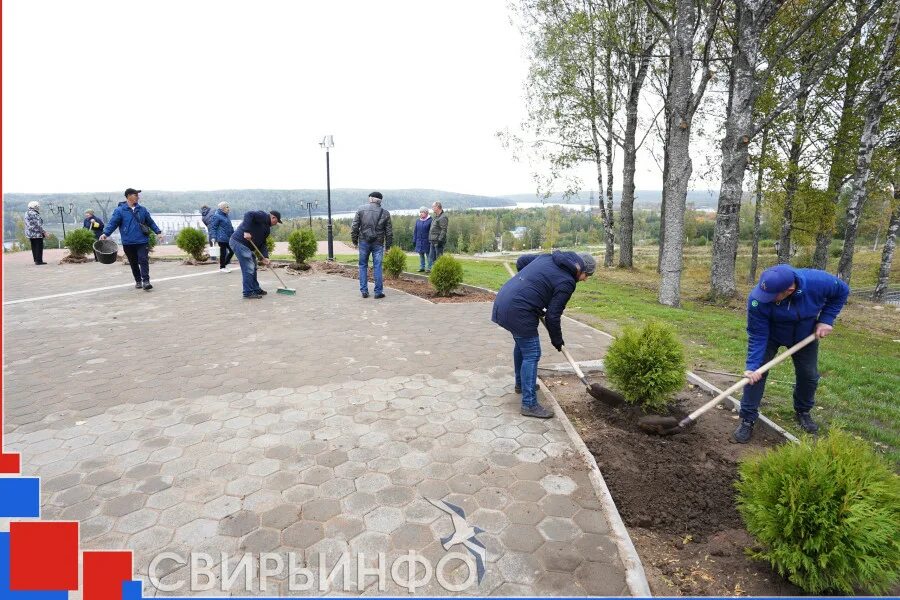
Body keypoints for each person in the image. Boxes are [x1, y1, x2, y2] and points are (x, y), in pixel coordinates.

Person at [732, 264, 850, 443]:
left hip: (805, 333)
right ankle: (748, 418)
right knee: (756, 374)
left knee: (808, 376)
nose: (766, 299)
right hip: (771, 334)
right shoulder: (757, 300)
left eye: (772, 296)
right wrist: (753, 366)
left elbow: (842, 291)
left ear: (790, 289)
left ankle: (803, 410)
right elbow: (757, 334)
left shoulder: (818, 281)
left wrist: (826, 320)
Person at [492, 251, 596, 418]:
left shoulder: (549, 257)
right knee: (532, 353)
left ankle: (522, 385)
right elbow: (552, 316)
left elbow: (521, 261)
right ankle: (529, 404)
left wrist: (531, 287)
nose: (585, 279)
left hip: (504, 300)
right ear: (580, 268)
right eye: (587, 275)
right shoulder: (567, 282)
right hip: (519, 310)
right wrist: (557, 341)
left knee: (522, 346)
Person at [101, 188, 163, 291]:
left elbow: (150, 222)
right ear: (128, 196)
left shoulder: (142, 209)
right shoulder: (120, 210)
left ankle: (146, 281)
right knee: (133, 262)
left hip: (142, 240)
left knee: (143, 260)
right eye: (136, 195)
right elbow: (113, 223)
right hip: (128, 242)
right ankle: (138, 280)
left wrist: (158, 232)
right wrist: (105, 233)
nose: (138, 197)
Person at [229, 209, 282, 299]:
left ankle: (255, 288)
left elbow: (262, 244)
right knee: (248, 267)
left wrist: (265, 257)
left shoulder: (267, 229)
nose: (276, 223)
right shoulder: (262, 215)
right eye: (276, 221)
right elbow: (248, 214)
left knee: (253, 266)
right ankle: (248, 292)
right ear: (273, 217)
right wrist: (246, 231)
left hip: (246, 246)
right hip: (238, 242)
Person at [350, 192, 393, 299]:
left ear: (371, 199)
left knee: (363, 265)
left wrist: (355, 241)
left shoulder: (361, 209)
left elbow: (354, 227)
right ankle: (378, 292)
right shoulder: (385, 213)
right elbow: (389, 232)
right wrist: (388, 247)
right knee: (377, 266)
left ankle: (364, 291)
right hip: (378, 243)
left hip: (364, 242)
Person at [208, 202, 235, 272]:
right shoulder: (216, 216)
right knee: (223, 252)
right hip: (221, 238)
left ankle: (224, 265)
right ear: (222, 208)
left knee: (232, 250)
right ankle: (222, 267)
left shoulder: (226, 216)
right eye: (227, 207)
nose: (229, 208)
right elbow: (213, 227)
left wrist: (234, 234)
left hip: (228, 237)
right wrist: (213, 237)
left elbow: (230, 227)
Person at [24, 201, 49, 265]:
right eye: (37, 206)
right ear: (34, 207)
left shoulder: (26, 213)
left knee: (34, 247)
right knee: (39, 247)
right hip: (37, 233)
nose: (38, 208)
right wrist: (44, 232)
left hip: (30, 233)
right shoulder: (34, 213)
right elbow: (38, 225)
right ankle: (39, 261)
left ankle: (36, 260)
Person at [427, 201, 448, 272]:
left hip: (438, 242)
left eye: (433, 207)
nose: (432, 208)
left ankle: (440, 272)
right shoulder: (436, 216)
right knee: (432, 258)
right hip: (433, 241)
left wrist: (440, 240)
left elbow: (444, 230)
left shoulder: (443, 217)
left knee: (438, 258)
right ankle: (434, 271)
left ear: (437, 207)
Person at [413, 206, 432, 272]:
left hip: (427, 241)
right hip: (419, 241)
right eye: (420, 212)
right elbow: (415, 231)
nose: (421, 213)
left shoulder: (430, 220)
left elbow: (431, 232)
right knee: (421, 255)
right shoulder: (418, 221)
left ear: (426, 213)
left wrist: (430, 240)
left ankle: (429, 268)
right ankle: (422, 267)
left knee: (428, 255)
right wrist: (414, 240)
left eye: (422, 212)